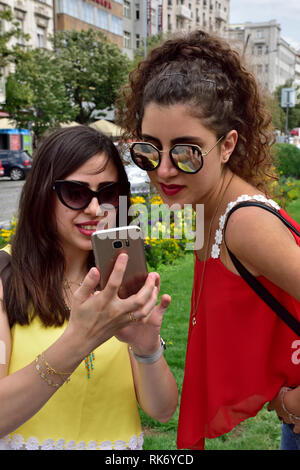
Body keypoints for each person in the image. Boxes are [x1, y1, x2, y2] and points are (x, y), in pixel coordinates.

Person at [117, 30, 300, 450]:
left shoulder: (243, 223)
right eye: (148, 150)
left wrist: (294, 404)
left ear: (227, 145)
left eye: (186, 152)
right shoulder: (209, 206)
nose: (163, 170)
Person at [0, 125, 178, 450]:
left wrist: (147, 348)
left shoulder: (119, 279)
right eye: (76, 193)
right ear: (42, 193)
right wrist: (79, 341)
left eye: (108, 194)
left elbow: (163, 410)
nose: (96, 210)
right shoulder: (5, 277)